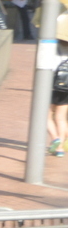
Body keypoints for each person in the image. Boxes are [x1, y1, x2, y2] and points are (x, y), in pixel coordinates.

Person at [47, 13, 68, 156]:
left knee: (45, 116)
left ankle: (55, 139)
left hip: (51, 84)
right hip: (67, 86)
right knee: (61, 117)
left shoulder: (52, 44)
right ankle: (60, 148)